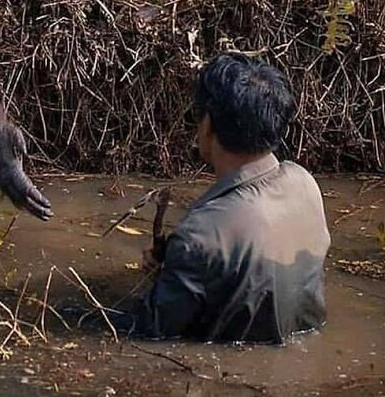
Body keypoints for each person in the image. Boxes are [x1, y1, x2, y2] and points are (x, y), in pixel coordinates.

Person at [126, 53, 331, 344]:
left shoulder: (200, 235)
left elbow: (151, 330)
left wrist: (163, 277)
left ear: (207, 125)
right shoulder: (304, 183)